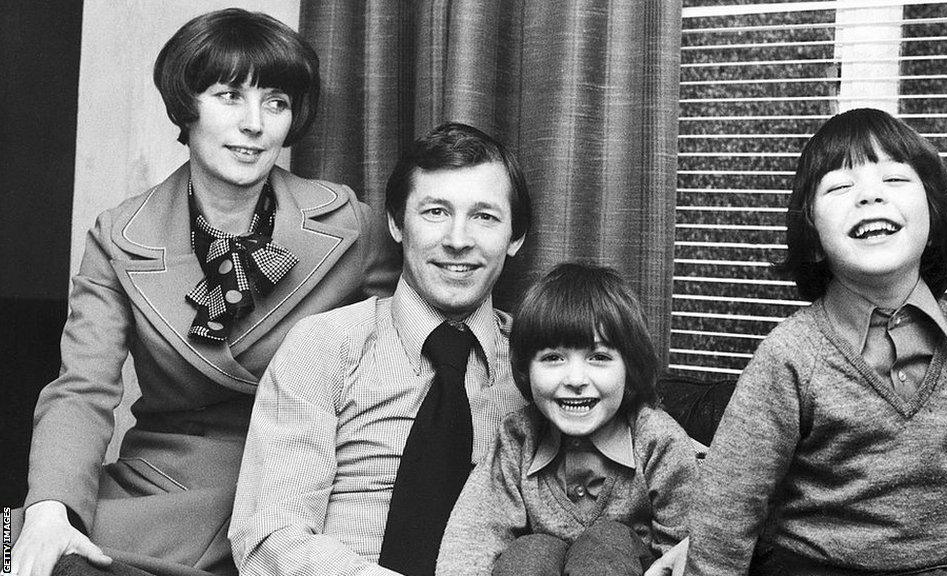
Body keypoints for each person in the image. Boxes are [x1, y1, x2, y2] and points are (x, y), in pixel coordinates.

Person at [10, 9, 396, 576]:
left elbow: (397, 371)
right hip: (160, 485)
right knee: (7, 543)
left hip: (300, 487)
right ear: (185, 107)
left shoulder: (351, 226)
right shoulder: (120, 235)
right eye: (229, 96)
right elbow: (81, 387)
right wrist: (49, 507)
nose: (254, 124)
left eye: (276, 102)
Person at [683, 108, 947, 576]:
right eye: (839, 186)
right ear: (812, 235)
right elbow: (728, 505)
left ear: (934, 216)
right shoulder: (790, 354)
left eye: (895, 179)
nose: (870, 195)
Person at [229, 122, 532, 576]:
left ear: (515, 238)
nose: (457, 239)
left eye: (484, 216)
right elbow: (270, 536)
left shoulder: (540, 370)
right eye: (435, 212)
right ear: (395, 223)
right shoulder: (324, 346)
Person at [435, 262, 698, 576]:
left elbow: (690, 550)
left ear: (630, 367)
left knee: (607, 541)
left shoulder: (658, 440)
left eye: (598, 357)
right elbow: (473, 537)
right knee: (530, 551)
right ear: (525, 370)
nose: (575, 379)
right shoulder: (518, 437)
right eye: (553, 358)